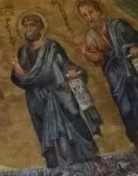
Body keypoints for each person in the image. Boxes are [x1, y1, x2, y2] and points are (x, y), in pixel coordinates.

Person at [75, 0, 138, 146]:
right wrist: (86, 53)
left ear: (99, 11)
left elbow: (137, 41)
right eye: (84, 15)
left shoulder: (118, 26)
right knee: (126, 107)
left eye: (91, 12)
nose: (89, 17)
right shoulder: (90, 36)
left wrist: (133, 47)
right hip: (115, 76)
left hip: (133, 70)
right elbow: (99, 59)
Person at [10, 12, 100, 167]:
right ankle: (61, 167)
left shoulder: (51, 47)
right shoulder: (22, 52)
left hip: (58, 94)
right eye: (25, 26)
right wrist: (17, 70)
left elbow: (65, 65)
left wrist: (74, 72)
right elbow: (21, 78)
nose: (28, 29)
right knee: (51, 135)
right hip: (38, 100)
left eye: (32, 25)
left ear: (40, 27)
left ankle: (91, 159)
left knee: (73, 123)